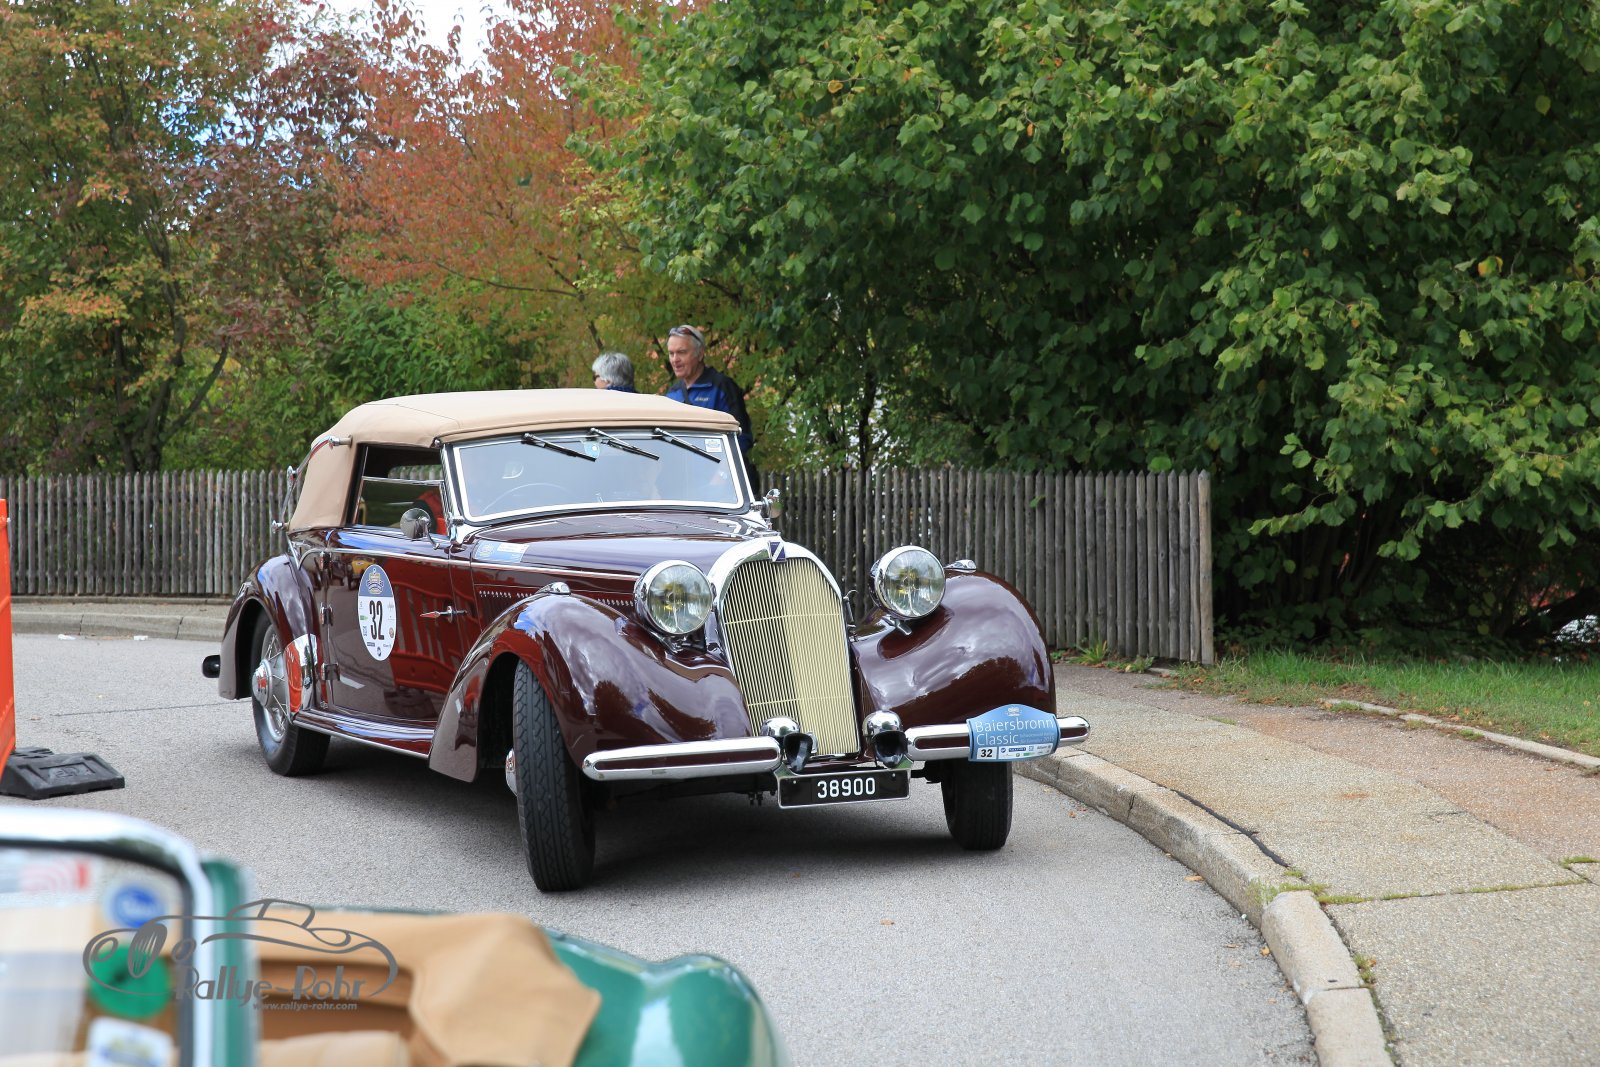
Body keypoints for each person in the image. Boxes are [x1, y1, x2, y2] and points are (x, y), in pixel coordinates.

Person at [664, 324, 753, 460]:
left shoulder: (722, 387)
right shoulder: (672, 395)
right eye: (671, 353)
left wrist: (718, 469)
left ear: (700, 354)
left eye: (682, 352)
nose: (675, 359)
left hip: (717, 470)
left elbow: (741, 438)